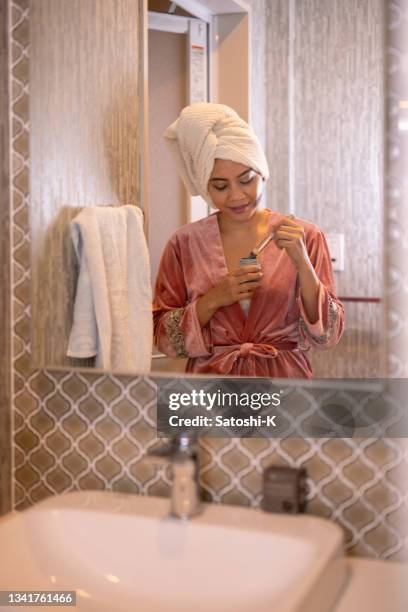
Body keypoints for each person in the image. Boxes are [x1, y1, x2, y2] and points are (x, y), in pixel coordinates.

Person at [153, 103, 344, 377]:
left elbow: (328, 336)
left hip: (286, 390)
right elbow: (163, 339)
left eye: (246, 180)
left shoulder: (306, 236)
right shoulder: (184, 244)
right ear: (204, 186)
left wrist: (302, 263)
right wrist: (215, 298)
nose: (236, 196)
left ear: (261, 171)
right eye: (220, 186)